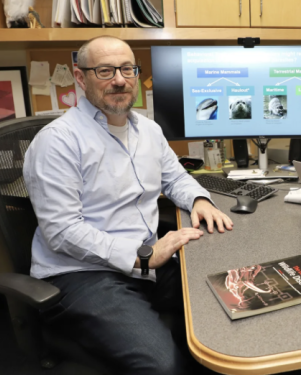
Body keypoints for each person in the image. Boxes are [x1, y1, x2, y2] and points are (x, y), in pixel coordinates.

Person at [23, 35, 232, 375]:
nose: (119, 80)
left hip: (147, 263)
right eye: (105, 71)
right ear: (80, 78)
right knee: (164, 367)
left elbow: (175, 178)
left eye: (126, 69)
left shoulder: (148, 130)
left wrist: (197, 199)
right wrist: (143, 255)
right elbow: (62, 232)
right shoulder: (57, 142)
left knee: (231, 298)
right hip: (83, 275)